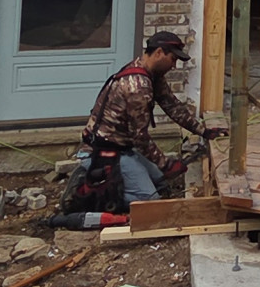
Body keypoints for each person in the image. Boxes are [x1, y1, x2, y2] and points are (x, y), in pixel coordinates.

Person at [80, 31, 218, 203]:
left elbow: (172, 106)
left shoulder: (151, 74)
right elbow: (140, 137)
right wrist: (165, 164)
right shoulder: (138, 86)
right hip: (103, 153)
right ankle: (92, 194)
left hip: (122, 148)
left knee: (160, 181)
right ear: (159, 53)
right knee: (149, 200)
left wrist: (203, 131)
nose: (174, 66)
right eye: (173, 59)